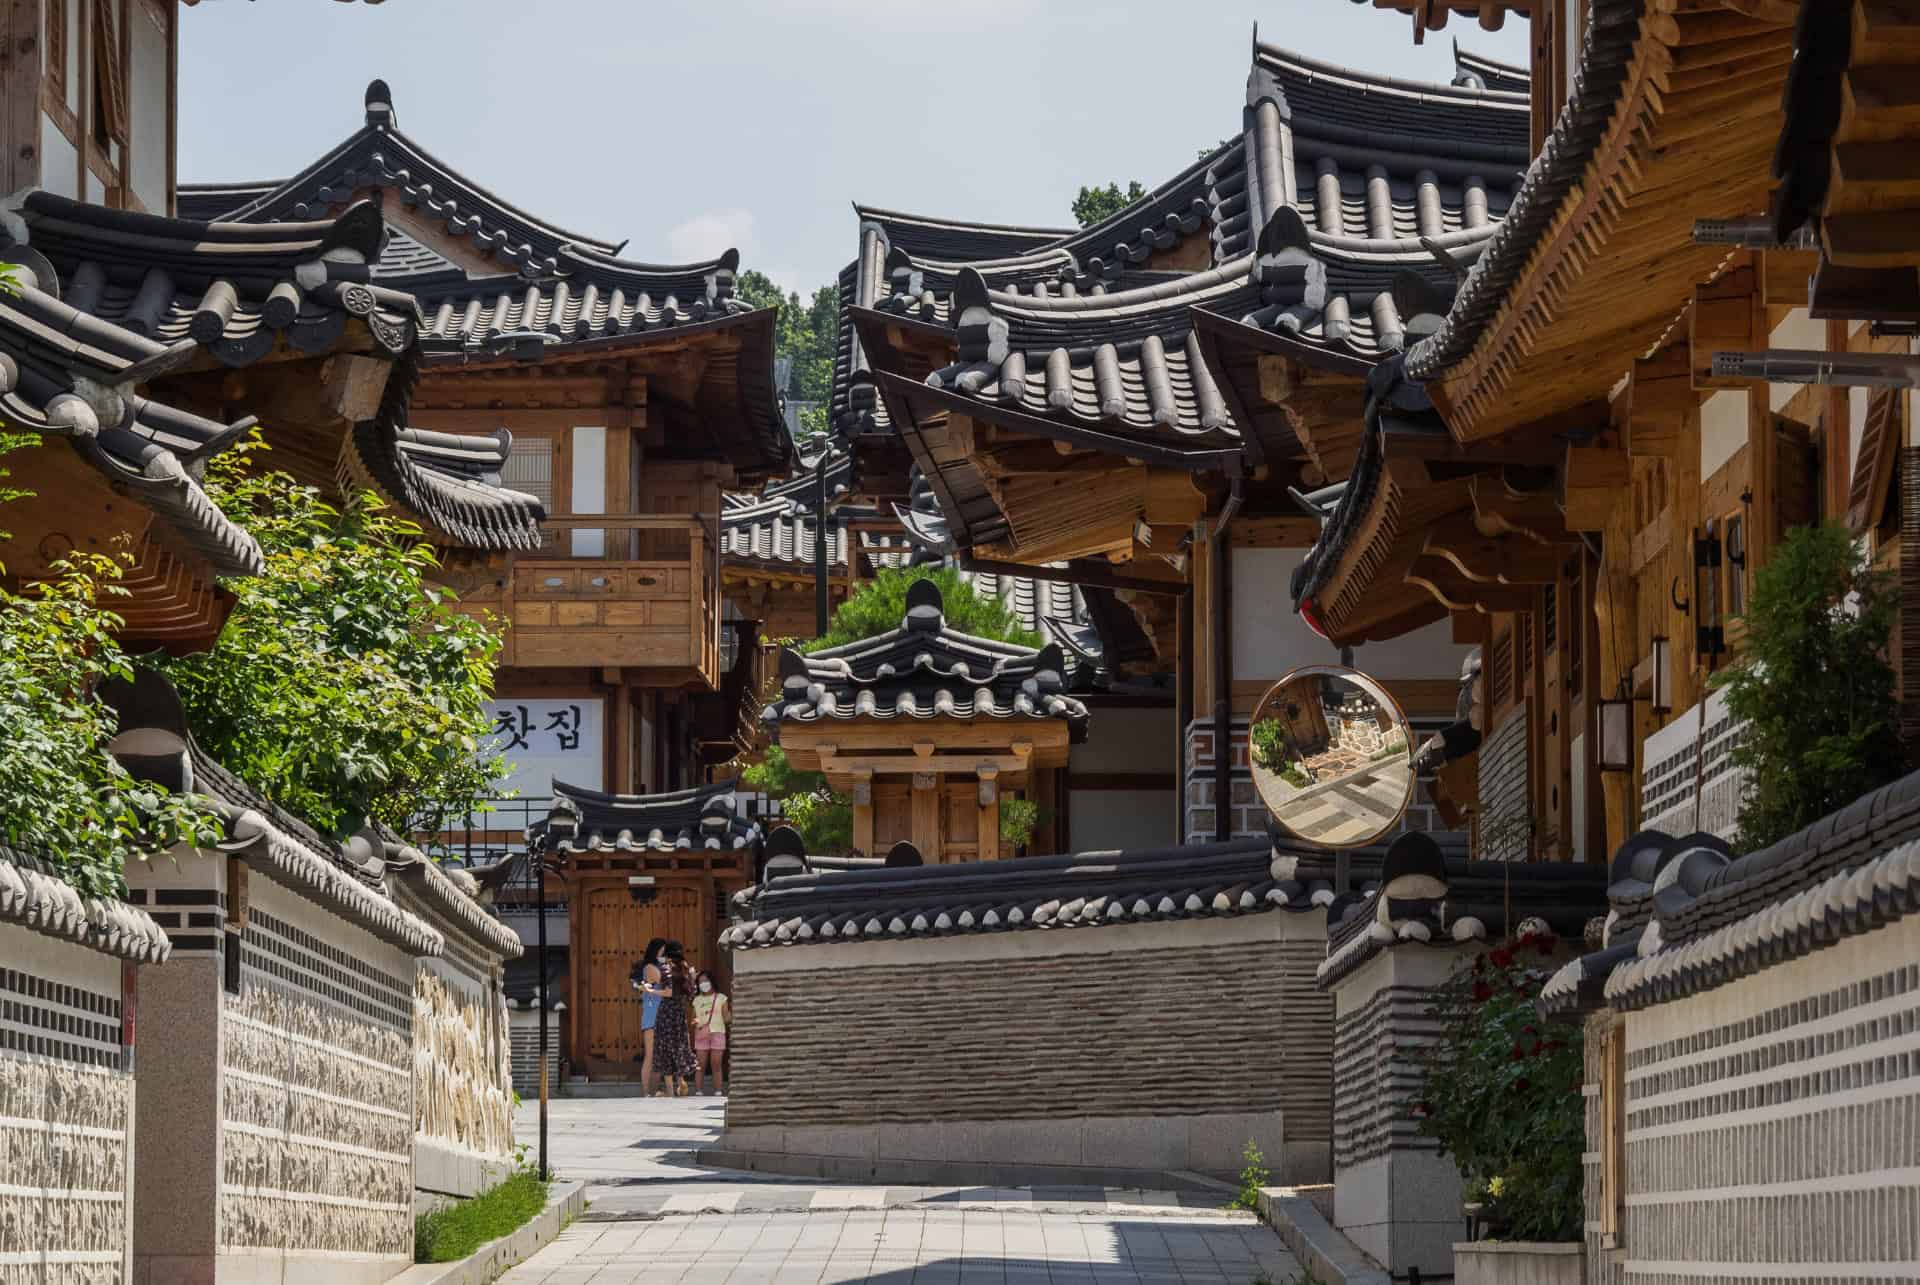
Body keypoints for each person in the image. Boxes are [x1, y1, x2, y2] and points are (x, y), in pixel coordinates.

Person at [652, 940, 699, 1096]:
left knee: (665, 1048)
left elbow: (668, 992)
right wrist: (693, 978)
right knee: (678, 1047)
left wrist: (651, 991)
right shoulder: (685, 969)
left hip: (666, 1012)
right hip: (679, 1012)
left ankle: (670, 1092)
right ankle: (680, 1082)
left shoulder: (665, 968)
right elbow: (692, 994)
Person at [630, 938, 667, 1094]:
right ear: (657, 950)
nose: (664, 953)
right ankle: (646, 1091)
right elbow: (664, 981)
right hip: (652, 1015)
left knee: (658, 1056)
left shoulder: (658, 966)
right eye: (662, 950)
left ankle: (653, 1090)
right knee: (651, 1055)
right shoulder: (650, 967)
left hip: (661, 1014)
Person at [691, 969, 730, 1096]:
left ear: (711, 981)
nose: (703, 984)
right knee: (700, 1065)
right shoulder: (696, 1000)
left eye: (705, 980)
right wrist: (696, 1022)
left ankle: (718, 1091)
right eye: (700, 981)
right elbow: (693, 1018)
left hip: (717, 1032)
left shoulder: (721, 998)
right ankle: (698, 1091)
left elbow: (727, 1018)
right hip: (701, 1033)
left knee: (716, 1064)